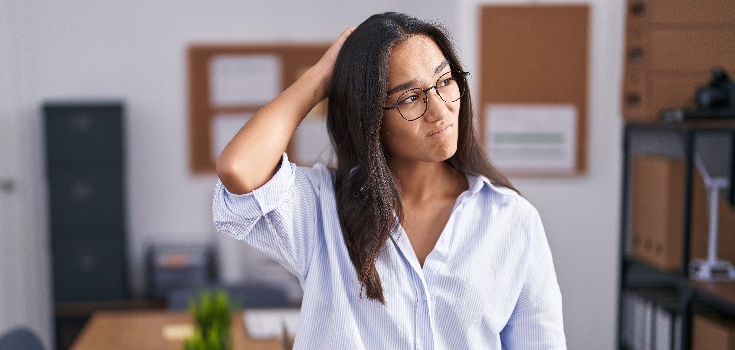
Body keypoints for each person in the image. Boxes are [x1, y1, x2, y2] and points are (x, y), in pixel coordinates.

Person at [213, 12, 566, 349]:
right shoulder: (323, 208)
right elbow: (239, 168)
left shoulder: (512, 220)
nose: (440, 109)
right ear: (369, 118)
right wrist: (321, 78)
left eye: (445, 81)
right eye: (411, 98)